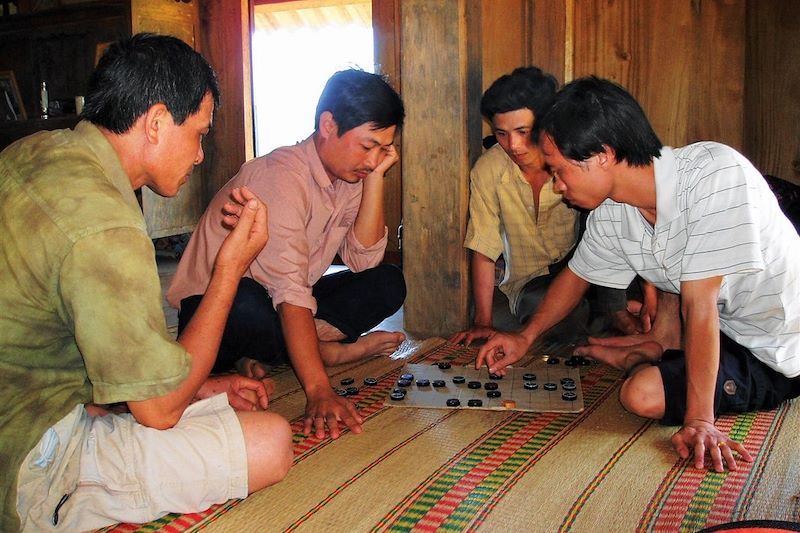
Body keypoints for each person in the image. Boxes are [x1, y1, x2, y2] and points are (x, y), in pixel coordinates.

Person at [0, 34, 294, 532]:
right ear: (156, 122)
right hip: (27, 457)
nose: (201, 155)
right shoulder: (106, 224)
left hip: (28, 393)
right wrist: (230, 269)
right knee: (271, 441)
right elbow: (159, 412)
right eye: (199, 133)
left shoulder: (32, 152)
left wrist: (197, 384)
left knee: (191, 396)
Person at [475, 76, 800, 473]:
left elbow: (700, 308)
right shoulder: (614, 206)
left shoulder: (716, 175)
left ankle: (650, 355)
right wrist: (524, 337)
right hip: (725, 329)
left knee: (641, 395)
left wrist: (700, 422)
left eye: (560, 172)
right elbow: (577, 276)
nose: (558, 186)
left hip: (777, 349)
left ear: (602, 156)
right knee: (666, 265)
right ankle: (657, 347)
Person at [167, 68, 407, 441]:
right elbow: (290, 291)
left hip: (282, 305)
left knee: (389, 282)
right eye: (367, 146)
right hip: (215, 312)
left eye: (383, 149)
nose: (374, 160)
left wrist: (375, 179)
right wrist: (319, 390)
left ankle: (276, 353)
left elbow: (363, 262)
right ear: (328, 125)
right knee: (252, 305)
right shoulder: (281, 176)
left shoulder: (351, 176)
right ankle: (325, 353)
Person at [450, 67, 650, 347]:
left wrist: (624, 298)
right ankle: (596, 326)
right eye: (502, 133)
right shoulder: (489, 170)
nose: (514, 145)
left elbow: (620, 232)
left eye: (523, 131)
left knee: (632, 302)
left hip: (597, 267)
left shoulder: (576, 159)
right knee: (552, 317)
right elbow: (483, 246)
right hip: (535, 282)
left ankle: (609, 319)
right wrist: (483, 322)